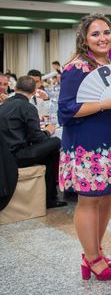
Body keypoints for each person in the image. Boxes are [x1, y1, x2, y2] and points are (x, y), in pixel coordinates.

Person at [57, 14, 111, 281]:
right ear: (84, 39)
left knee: (109, 197)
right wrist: (102, 104)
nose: (102, 38)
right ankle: (91, 257)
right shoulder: (76, 69)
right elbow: (65, 111)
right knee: (89, 201)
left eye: (106, 32)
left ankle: (95, 249)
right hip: (88, 146)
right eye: (95, 34)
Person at [0, 75, 66, 208]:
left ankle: (50, 197)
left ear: (15, 87)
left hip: (4, 154)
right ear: (33, 91)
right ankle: (53, 195)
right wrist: (48, 130)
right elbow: (37, 138)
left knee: (47, 157)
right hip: (15, 156)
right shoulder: (27, 107)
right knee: (55, 142)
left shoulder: (5, 104)